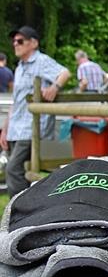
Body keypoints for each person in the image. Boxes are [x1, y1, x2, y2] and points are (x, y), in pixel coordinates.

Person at [3, 26, 70, 197]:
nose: (15, 44)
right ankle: (27, 206)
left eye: (20, 41)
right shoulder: (19, 67)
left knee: (13, 169)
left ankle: (17, 210)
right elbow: (16, 101)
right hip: (16, 126)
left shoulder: (42, 61)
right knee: (20, 169)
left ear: (33, 43)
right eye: (14, 41)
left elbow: (64, 72)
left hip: (30, 126)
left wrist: (54, 87)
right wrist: (5, 129)